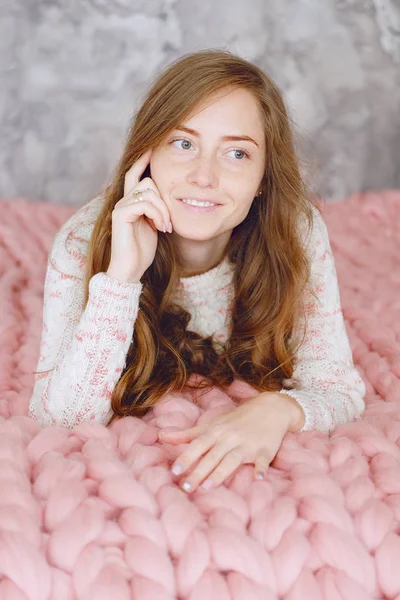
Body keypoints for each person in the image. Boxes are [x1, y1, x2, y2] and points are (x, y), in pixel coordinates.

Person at [29, 49, 366, 452]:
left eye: (236, 153)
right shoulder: (82, 239)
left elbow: (338, 389)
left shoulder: (296, 231)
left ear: (263, 176)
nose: (204, 176)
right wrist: (121, 279)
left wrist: (280, 410)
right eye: (184, 144)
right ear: (147, 155)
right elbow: (62, 419)